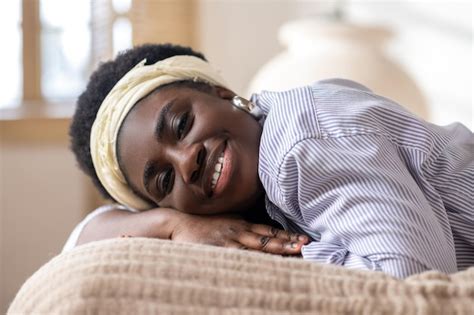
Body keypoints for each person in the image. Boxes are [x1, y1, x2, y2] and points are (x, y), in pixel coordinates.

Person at [65, 43, 473, 278]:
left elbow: (412, 280)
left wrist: (270, 258)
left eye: (181, 123)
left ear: (223, 94)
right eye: (163, 182)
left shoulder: (296, 145)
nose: (186, 160)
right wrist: (173, 226)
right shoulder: (262, 158)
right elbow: (77, 243)